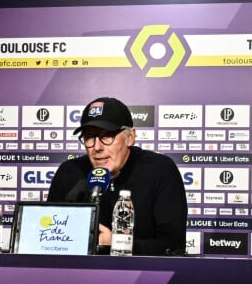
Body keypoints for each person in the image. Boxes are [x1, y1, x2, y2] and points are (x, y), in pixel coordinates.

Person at [47, 96, 187, 255]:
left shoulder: (160, 169)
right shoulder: (70, 172)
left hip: (143, 275)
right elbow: (49, 239)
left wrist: (118, 244)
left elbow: (174, 245)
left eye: (106, 136)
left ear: (130, 137)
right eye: (89, 137)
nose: (97, 147)